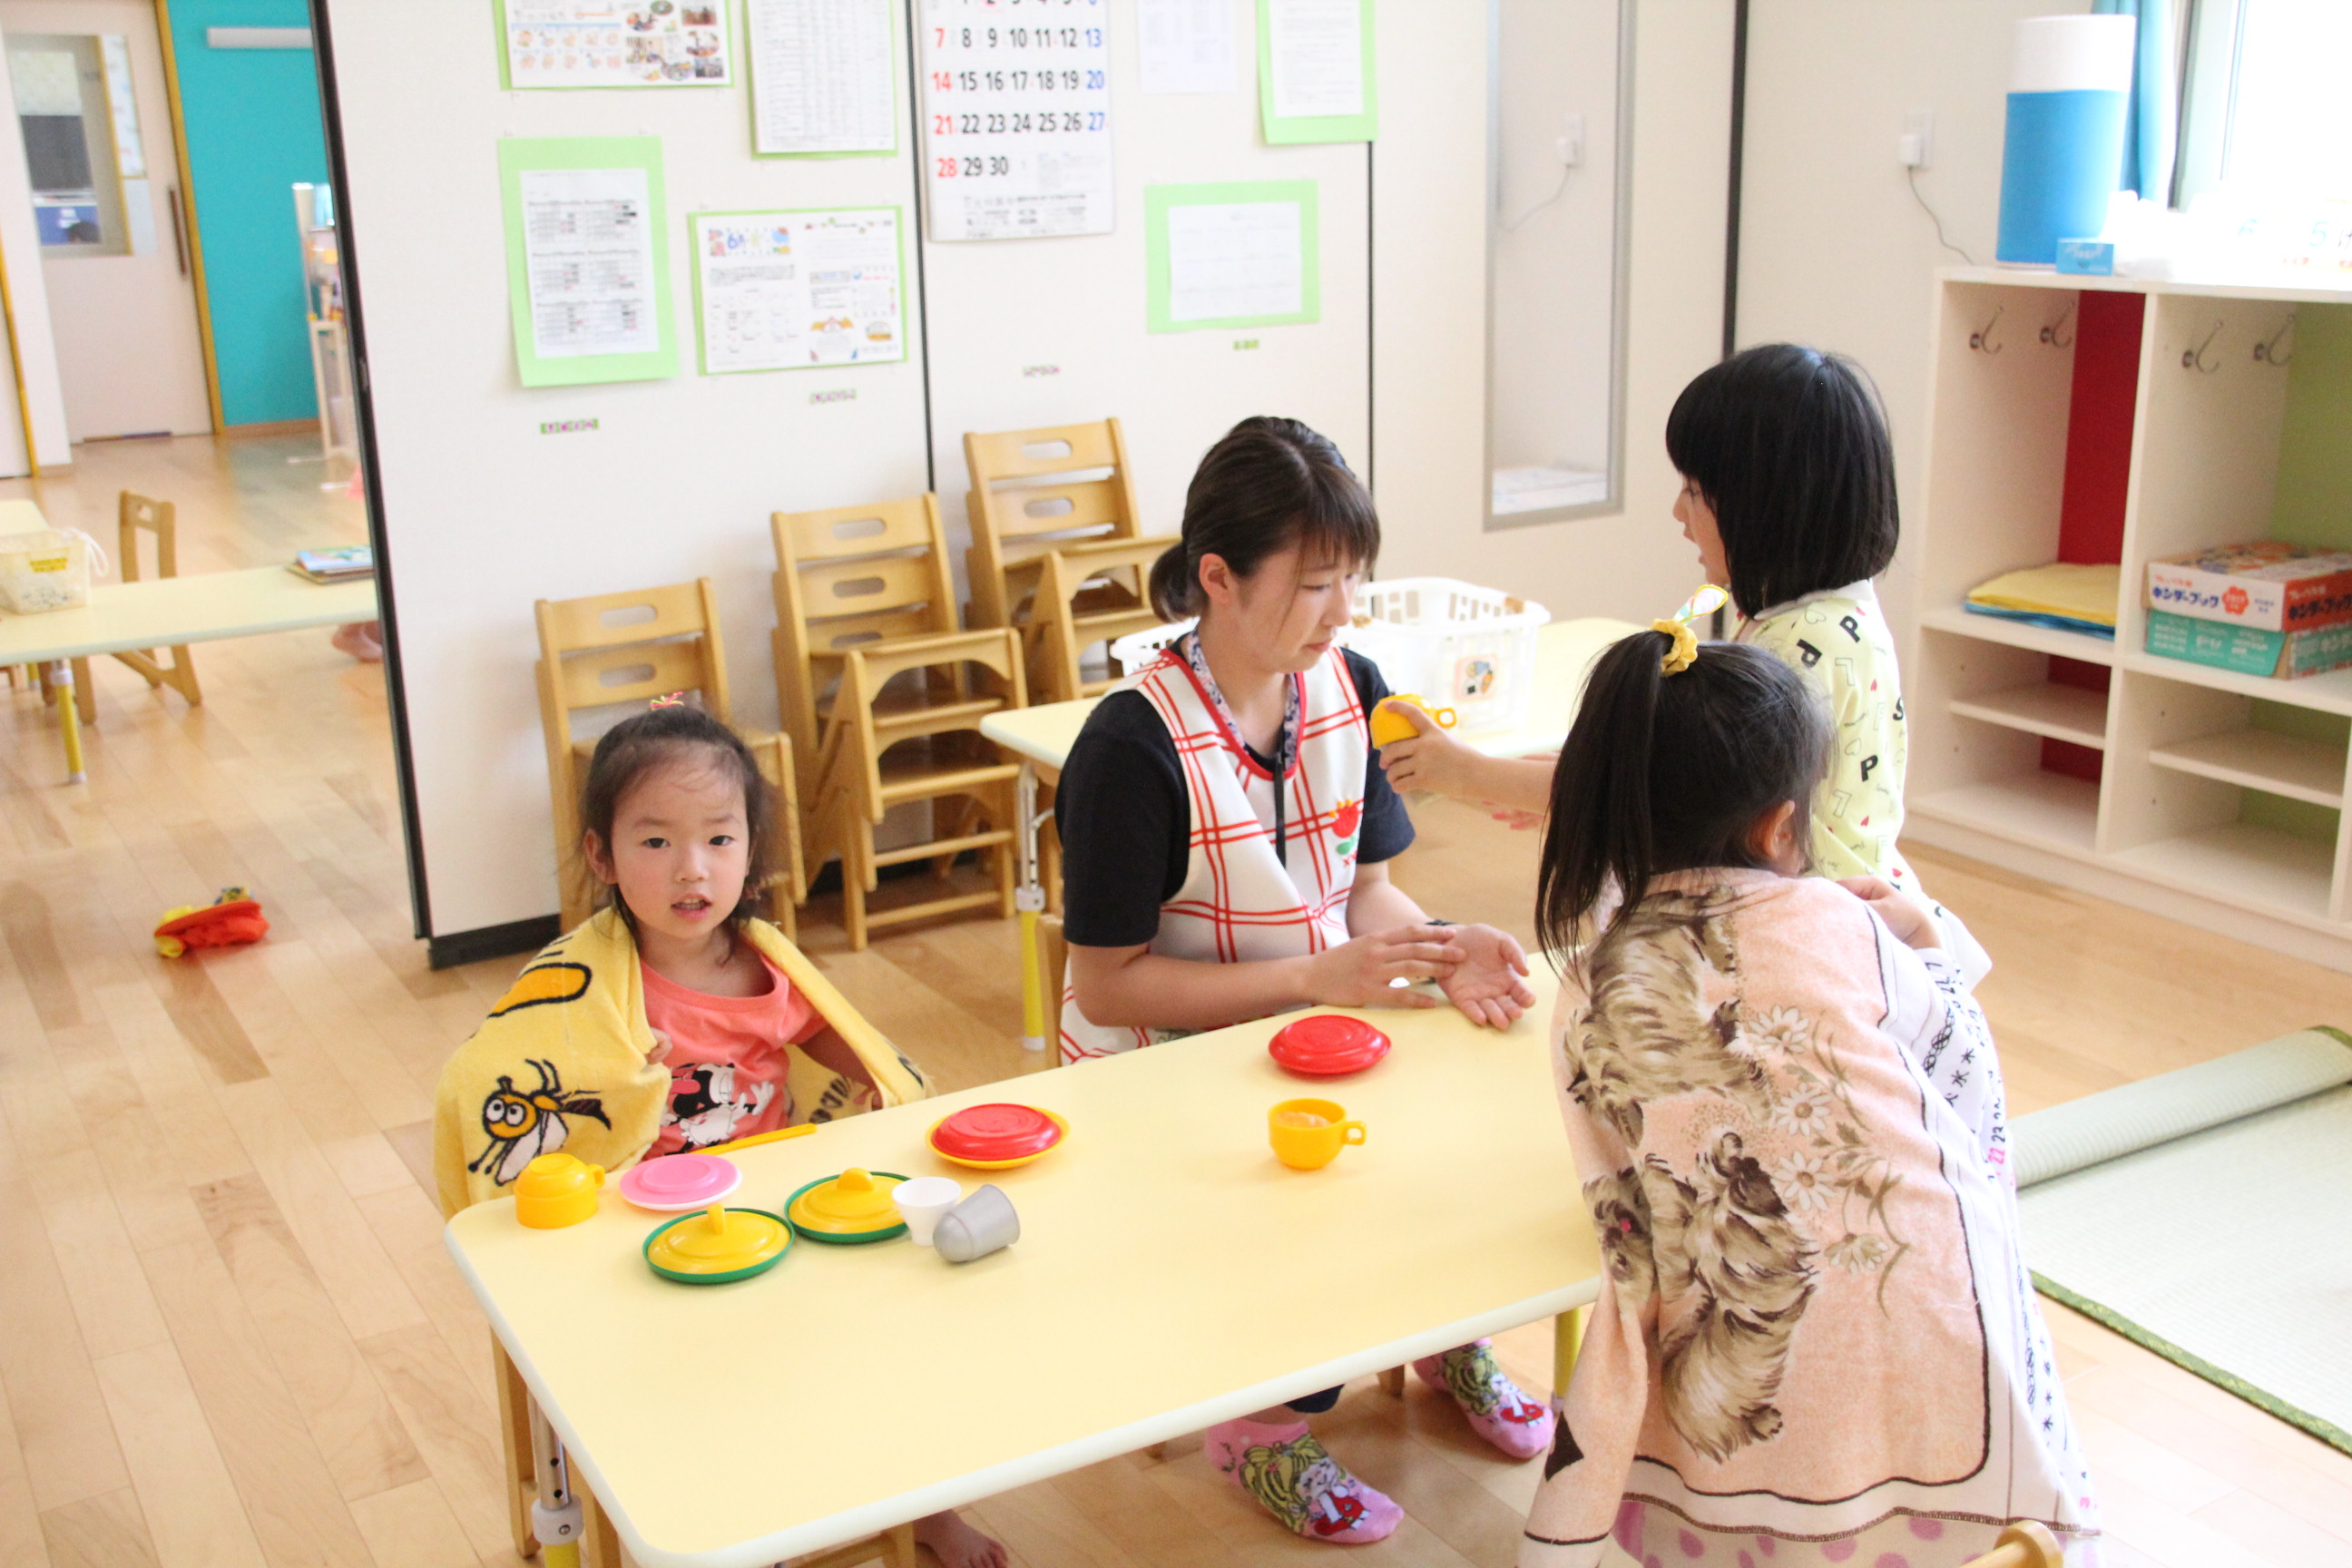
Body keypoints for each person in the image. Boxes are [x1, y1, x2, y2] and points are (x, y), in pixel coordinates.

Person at [1054, 416, 1553, 1546]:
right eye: (1318, 584)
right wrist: (1319, 977)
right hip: (1162, 1069)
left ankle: (1443, 1331)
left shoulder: (1348, 684)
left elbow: (1367, 892)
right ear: (1218, 578)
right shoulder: (1131, 747)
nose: (1345, 613)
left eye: (1353, 580)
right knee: (1309, 1196)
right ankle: (1261, 1425)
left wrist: (1443, 945)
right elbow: (1110, 990)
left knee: (1460, 1113)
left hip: (1312, 1022)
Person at [1518, 621, 2099, 1566]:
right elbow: (1966, 1091)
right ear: (1779, 827)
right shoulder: (1845, 920)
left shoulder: (1591, 980)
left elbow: (1616, 1189)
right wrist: (1930, 948)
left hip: (1761, 1397)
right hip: (1964, 1357)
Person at [430, 705, 1007, 1568]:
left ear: (751, 850)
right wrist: (614, 1080)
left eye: (719, 839)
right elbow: (489, 1079)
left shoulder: (765, 963)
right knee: (690, 1387)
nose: (691, 868)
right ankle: (726, 1516)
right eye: (655, 841)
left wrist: (892, 1092)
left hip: (771, 1213)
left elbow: (847, 1047)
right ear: (601, 856)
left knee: (890, 1328)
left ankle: (924, 1506)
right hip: (641, 1235)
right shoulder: (583, 984)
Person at [1380, 345, 1986, 977]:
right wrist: (1560, 784)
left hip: (1807, 942)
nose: (1678, 512)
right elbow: (1663, 773)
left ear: (1767, 504)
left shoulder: (1797, 651)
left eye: (1695, 491)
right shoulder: (1835, 614)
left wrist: (1469, 774)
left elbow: (1654, 795)